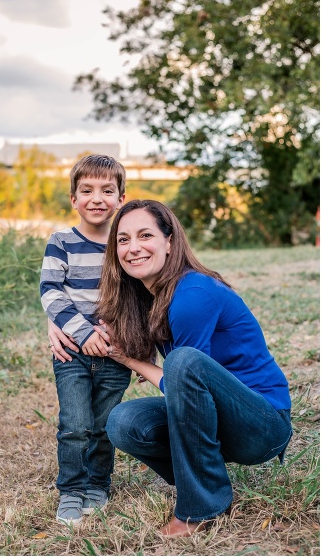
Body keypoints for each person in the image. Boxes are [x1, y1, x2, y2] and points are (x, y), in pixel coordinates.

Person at [92, 199, 291, 537]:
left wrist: (130, 360)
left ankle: (202, 508)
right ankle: (206, 476)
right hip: (218, 417)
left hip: (262, 424)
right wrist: (61, 329)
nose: (133, 247)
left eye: (145, 235)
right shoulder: (148, 297)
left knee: (184, 361)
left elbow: (182, 380)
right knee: (124, 422)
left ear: (169, 242)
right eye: (123, 240)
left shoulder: (192, 293)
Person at [39, 154, 131, 525]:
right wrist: (83, 331)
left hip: (115, 352)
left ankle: (98, 483)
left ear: (121, 198)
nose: (97, 198)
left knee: (104, 424)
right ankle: (71, 489)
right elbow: (50, 291)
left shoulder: (124, 244)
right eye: (87, 190)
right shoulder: (61, 241)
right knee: (75, 424)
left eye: (108, 190)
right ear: (73, 199)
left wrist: (127, 337)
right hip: (72, 352)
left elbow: (141, 297)